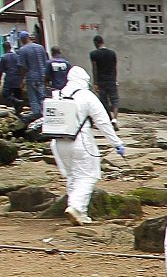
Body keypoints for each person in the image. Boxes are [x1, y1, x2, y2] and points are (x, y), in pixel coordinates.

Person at [50, 66, 123, 225]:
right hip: (80, 141)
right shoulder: (86, 95)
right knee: (88, 175)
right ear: (85, 80)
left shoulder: (58, 94)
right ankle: (76, 207)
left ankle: (80, 213)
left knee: (73, 176)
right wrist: (116, 143)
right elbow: (102, 121)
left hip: (58, 143)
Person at [17, 34, 47, 123]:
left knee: (33, 99)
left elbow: (22, 67)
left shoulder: (23, 50)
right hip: (42, 76)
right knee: (42, 97)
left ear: (22, 39)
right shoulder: (40, 47)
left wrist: (21, 80)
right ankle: (45, 115)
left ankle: (37, 118)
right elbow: (45, 62)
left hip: (31, 77)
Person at [88, 35, 117, 119]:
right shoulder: (112, 53)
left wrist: (95, 83)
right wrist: (115, 80)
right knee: (114, 100)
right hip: (111, 80)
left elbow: (94, 69)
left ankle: (110, 118)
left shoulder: (93, 54)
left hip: (101, 81)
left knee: (104, 101)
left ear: (96, 43)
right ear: (103, 42)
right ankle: (115, 119)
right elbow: (114, 68)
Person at [0, 43, 20, 113]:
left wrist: (0, 79)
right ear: (10, 47)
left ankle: (15, 100)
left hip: (9, 78)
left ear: (4, 48)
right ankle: (18, 112)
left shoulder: (4, 57)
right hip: (18, 78)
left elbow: (1, 70)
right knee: (17, 95)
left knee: (5, 94)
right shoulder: (17, 56)